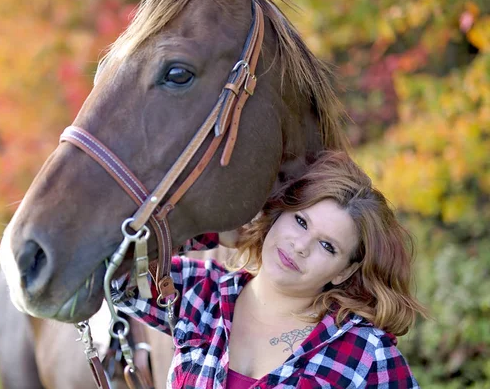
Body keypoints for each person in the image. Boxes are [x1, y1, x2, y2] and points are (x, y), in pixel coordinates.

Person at [113, 151, 427, 388]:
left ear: (343, 272)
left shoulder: (367, 356)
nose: (301, 245)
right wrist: (215, 229)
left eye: (327, 246)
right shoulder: (201, 294)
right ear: (278, 214)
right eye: (300, 221)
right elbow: (113, 265)